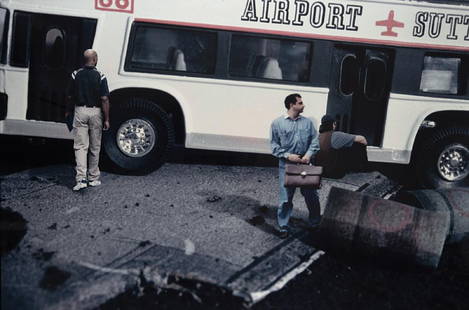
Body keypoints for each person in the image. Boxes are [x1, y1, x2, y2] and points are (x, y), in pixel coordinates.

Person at [270, 93, 321, 238]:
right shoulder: (277, 123)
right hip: (286, 165)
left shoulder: (307, 123)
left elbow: (315, 142)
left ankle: (315, 222)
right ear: (292, 105)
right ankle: (283, 226)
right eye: (300, 103)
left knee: (311, 195)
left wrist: (308, 155)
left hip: (306, 164)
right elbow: (274, 146)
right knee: (285, 198)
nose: (303, 105)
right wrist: (288, 155)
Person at [66, 49, 110, 191]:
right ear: (95, 59)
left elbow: (70, 96)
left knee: (80, 146)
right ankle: (93, 178)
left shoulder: (75, 74)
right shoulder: (101, 76)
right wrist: (107, 118)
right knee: (95, 147)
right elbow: (104, 99)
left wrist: (68, 112)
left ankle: (81, 179)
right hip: (96, 112)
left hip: (80, 111)